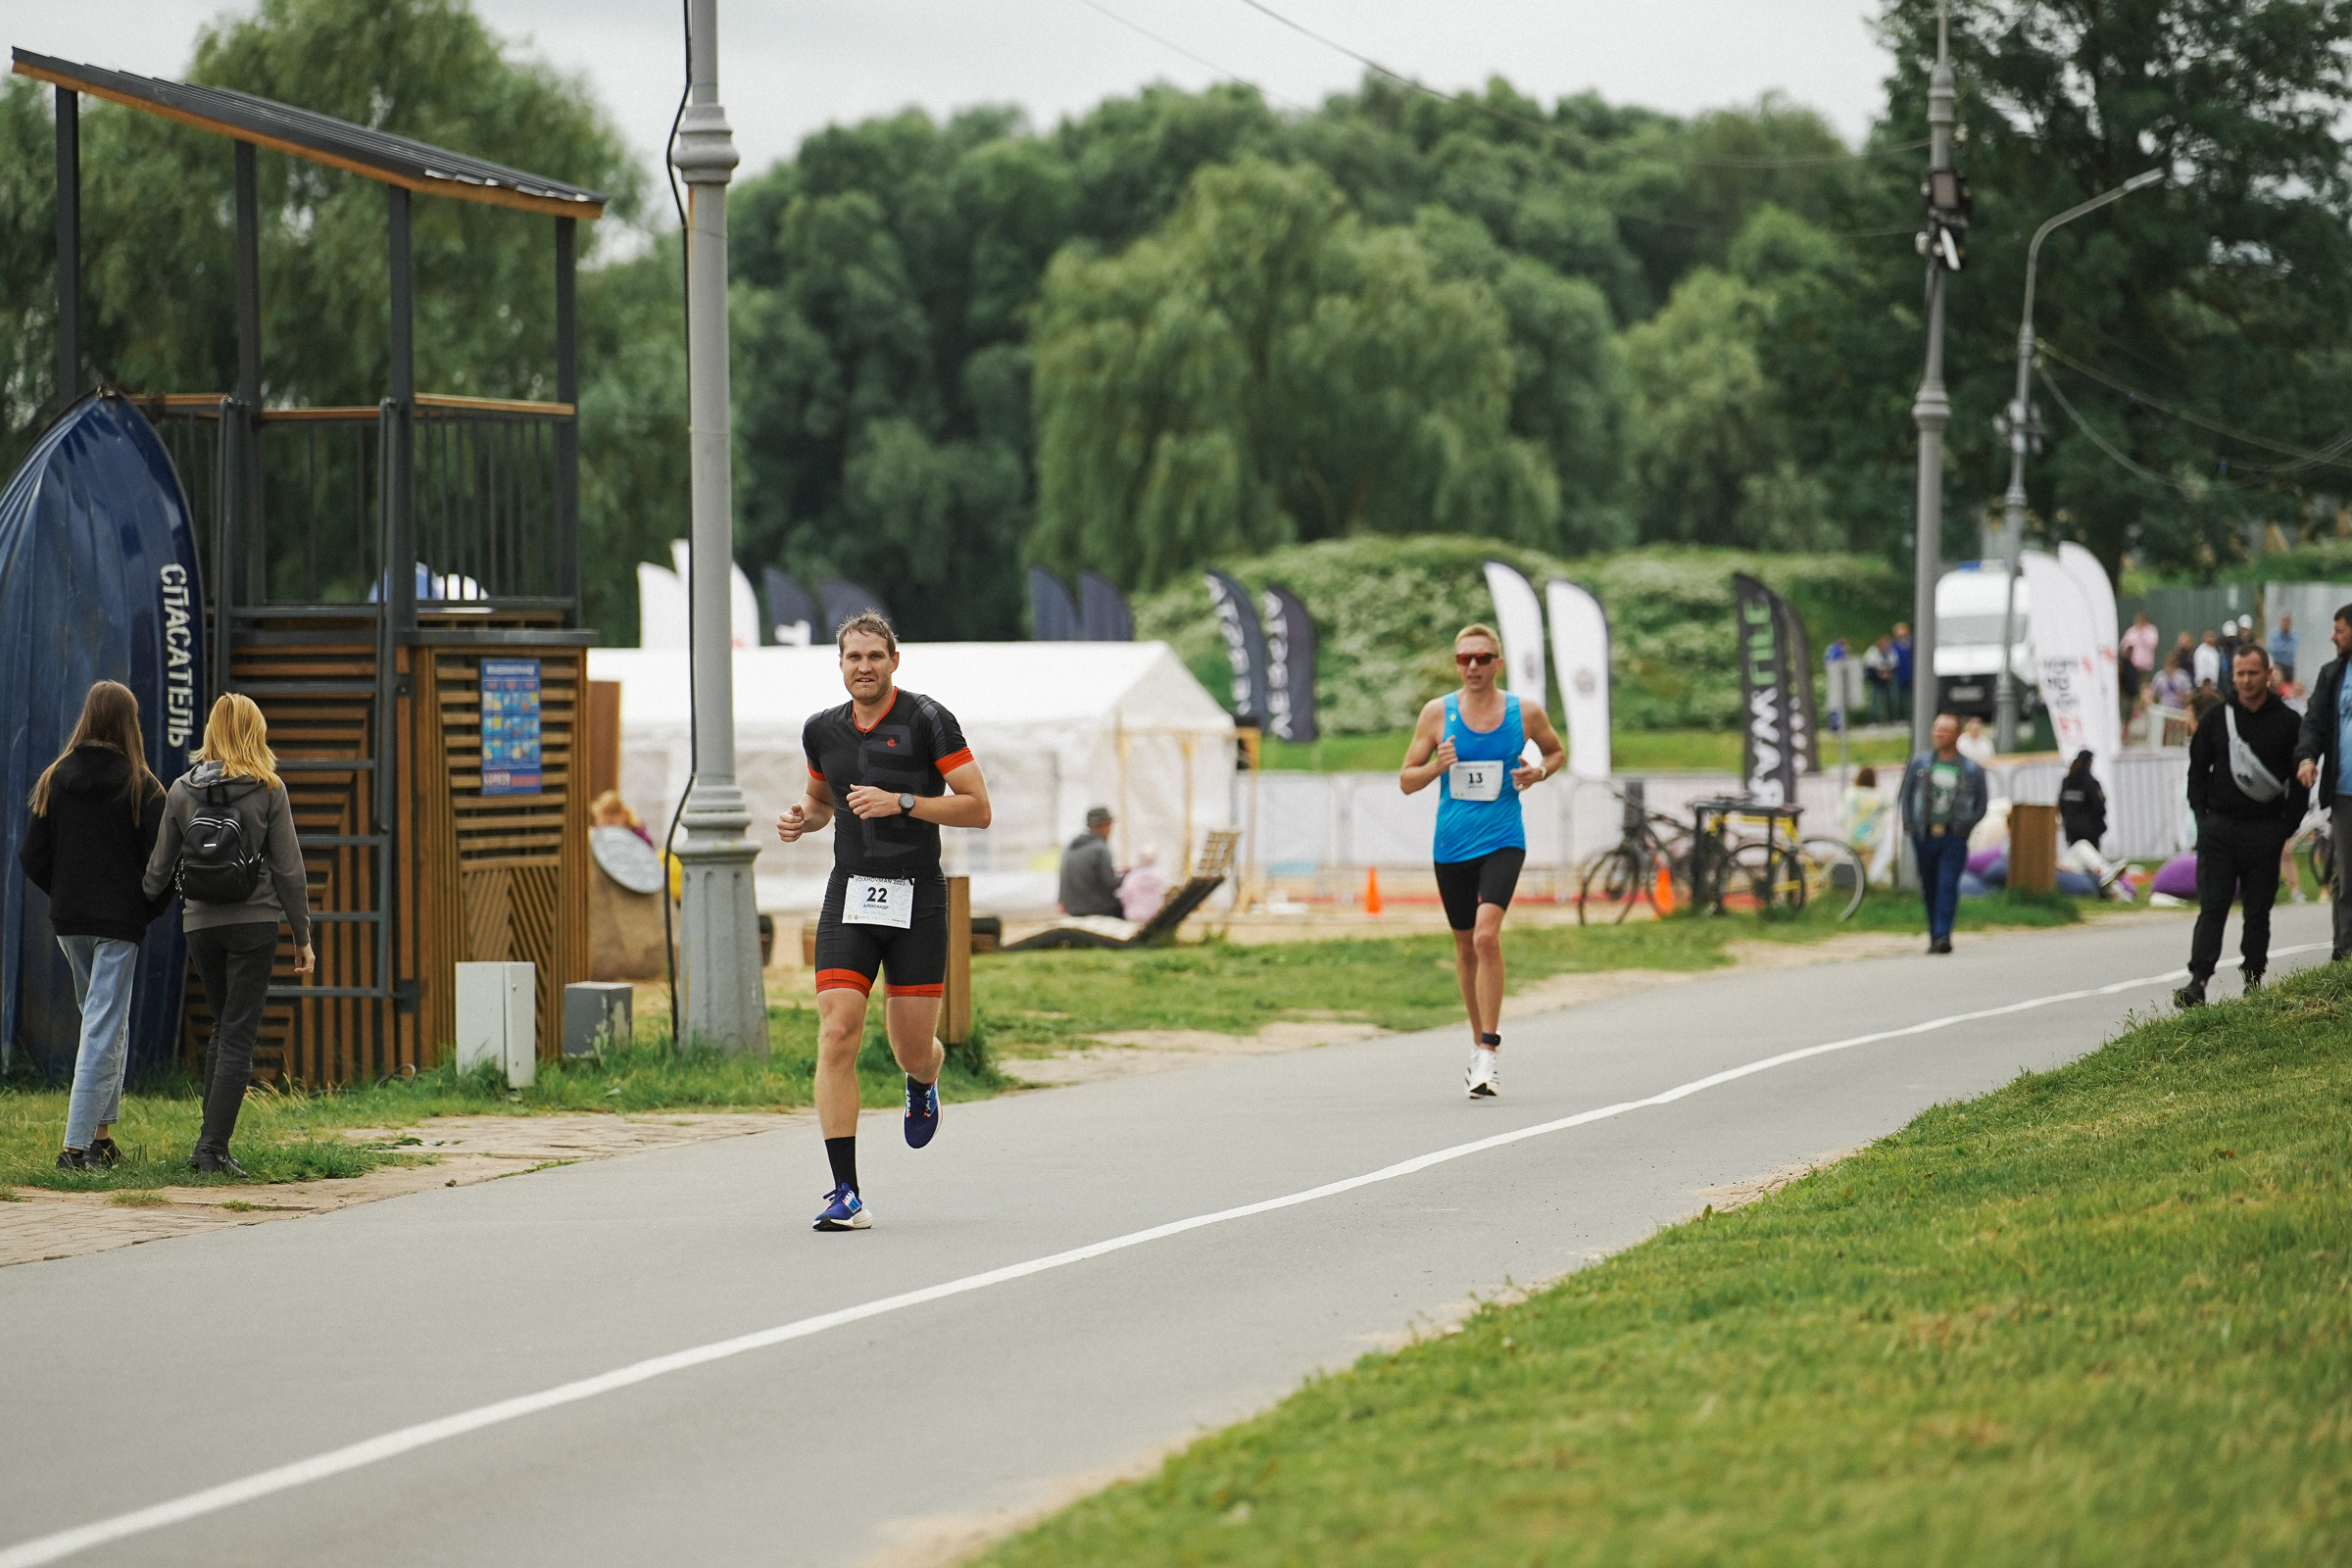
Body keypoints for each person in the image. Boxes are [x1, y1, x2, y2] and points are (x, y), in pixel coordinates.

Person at [776, 612, 992, 1231]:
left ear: (895, 661)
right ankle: (845, 1192)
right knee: (838, 1030)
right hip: (851, 895)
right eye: (853, 658)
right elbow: (821, 802)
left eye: (875, 656)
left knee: (910, 1048)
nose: (863, 667)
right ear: (839, 665)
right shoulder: (822, 731)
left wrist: (901, 802)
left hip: (918, 899)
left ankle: (924, 1079)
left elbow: (978, 809)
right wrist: (802, 819)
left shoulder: (927, 720)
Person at [142, 693, 313, 1176]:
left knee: (223, 1029)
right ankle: (211, 1149)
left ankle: (210, 1146)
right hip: (254, 922)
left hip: (200, 923)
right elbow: (289, 869)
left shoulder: (180, 789)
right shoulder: (268, 788)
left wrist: (138, 907)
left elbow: (159, 867)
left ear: (213, 731)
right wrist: (302, 936)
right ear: (254, 733)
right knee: (238, 1034)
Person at [1399, 623, 1566, 1098]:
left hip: (1503, 840)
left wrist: (1537, 773)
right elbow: (1406, 780)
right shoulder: (1438, 713)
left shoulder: (1524, 712)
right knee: (1465, 946)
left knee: (1487, 936)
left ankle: (1489, 1051)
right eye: (1463, 659)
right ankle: (1477, 1047)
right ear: (1457, 664)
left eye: (1481, 658)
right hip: (1450, 846)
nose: (1472, 666)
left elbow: (1555, 752)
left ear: (1498, 662)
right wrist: (1437, 765)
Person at [17, 681, 170, 1171]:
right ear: (128, 722)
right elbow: (165, 862)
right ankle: (75, 1147)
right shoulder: (141, 785)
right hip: (119, 923)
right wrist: (146, 907)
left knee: (102, 1019)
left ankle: (101, 1140)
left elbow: (32, 856)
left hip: (69, 922)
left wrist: (65, 897)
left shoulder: (55, 778)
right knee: (103, 1024)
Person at [2178, 645, 2306, 1006]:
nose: (2246, 680)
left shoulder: (2288, 722)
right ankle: (2198, 980)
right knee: (2213, 905)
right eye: (2239, 674)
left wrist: (2287, 826)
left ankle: (2253, 979)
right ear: (2231, 676)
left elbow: (2299, 781)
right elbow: (2198, 769)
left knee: (2258, 910)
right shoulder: (2217, 718)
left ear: (2268, 674)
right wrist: (2202, 816)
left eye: (2253, 673)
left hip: (2265, 830)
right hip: (2220, 829)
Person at [1899, 712, 1987, 955]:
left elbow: (1981, 803)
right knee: (1929, 886)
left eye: (1945, 730)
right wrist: (1910, 826)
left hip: (1954, 836)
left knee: (1947, 884)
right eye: (1937, 729)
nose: (1939, 734)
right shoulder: (1920, 764)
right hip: (1924, 835)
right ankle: (1934, 934)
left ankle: (1943, 934)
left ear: (1957, 735)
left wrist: (1966, 826)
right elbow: (1906, 796)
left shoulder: (1971, 769)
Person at [2292, 603, 2352, 961]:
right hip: (2345, 793)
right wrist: (2307, 758)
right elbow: (2313, 723)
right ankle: (2344, 957)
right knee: (2346, 878)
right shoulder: (2333, 675)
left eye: (2339, 629)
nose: (2333, 636)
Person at [2056, 750, 2118, 887]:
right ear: (2089, 762)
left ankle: (2086, 880)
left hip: (2072, 829)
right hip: (2090, 829)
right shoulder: (2090, 782)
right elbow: (2099, 805)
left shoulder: (2067, 781)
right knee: (2091, 859)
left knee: (2076, 859)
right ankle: (2099, 881)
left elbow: (2061, 804)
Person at [1057, 806, 1123, 917]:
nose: (1110, 830)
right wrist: (1128, 876)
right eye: (1109, 825)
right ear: (1103, 825)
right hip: (1095, 908)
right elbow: (1110, 884)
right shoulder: (1100, 849)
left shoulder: (1071, 847)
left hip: (1070, 908)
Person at [1119, 845, 1168, 923]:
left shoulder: (1133, 876)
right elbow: (1164, 893)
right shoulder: (1160, 876)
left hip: (1134, 914)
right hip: (1155, 915)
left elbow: (1126, 895)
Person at [1863, 636, 1896, 723]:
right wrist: (1880, 674)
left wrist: (1888, 674)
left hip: (1887, 679)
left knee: (1890, 699)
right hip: (1876, 680)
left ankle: (1890, 719)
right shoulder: (1872, 652)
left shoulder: (1891, 652)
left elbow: (1894, 664)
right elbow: (1870, 667)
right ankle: (1873, 720)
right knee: (1875, 701)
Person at [1891, 622, 1915, 715]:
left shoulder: (1912, 643)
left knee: (1912, 697)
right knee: (1900, 698)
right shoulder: (1894, 645)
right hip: (1899, 674)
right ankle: (1901, 715)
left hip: (1911, 673)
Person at [2271, 612, 2298, 688]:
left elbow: (2292, 649)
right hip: (2278, 665)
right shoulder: (2274, 635)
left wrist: (2281, 647)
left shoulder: (2294, 635)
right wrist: (2284, 648)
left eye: (2288, 622)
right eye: (2284, 621)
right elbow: (2273, 649)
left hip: (2289, 666)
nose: (2286, 624)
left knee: (2289, 687)